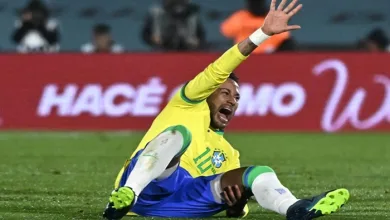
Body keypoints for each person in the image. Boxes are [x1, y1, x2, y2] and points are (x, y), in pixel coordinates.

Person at [103, 0, 349, 219]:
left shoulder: (229, 153)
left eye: (237, 97)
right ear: (207, 93)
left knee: (258, 173)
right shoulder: (186, 104)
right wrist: (262, 34)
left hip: (184, 203)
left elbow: (237, 208)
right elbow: (219, 69)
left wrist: (237, 207)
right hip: (149, 187)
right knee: (179, 134)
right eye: (225, 93)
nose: (232, 101)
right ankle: (128, 194)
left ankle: (294, 208)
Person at [221, 0, 296, 54]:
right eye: (253, 3)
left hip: (270, 56)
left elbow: (283, 37)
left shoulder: (271, 17)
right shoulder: (241, 16)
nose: (256, 6)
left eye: (258, 3)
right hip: (244, 55)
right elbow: (226, 31)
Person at [141, 0, 206, 51]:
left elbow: (200, 35)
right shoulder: (156, 14)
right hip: (161, 52)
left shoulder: (193, 15)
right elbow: (146, 34)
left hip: (187, 53)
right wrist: (152, 39)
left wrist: (197, 42)